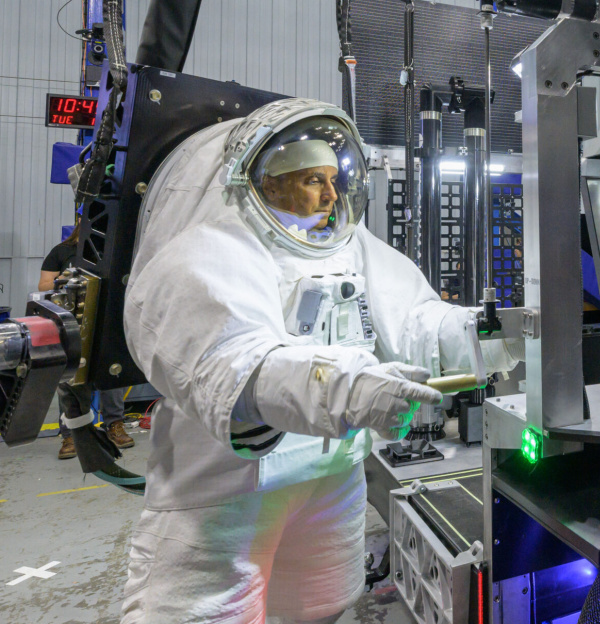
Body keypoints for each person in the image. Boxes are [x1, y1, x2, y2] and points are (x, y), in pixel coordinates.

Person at [119, 98, 523, 624]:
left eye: (334, 180)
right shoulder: (210, 252)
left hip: (332, 476)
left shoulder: (349, 246)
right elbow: (234, 365)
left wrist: (489, 334)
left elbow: (415, 320)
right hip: (227, 493)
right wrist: (345, 390)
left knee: (323, 606)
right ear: (267, 182)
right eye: (313, 180)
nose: (331, 194)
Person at [40, 224, 134, 459]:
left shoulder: (111, 254)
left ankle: (114, 425)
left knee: (111, 372)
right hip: (73, 324)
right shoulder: (61, 252)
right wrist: (62, 279)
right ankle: (71, 434)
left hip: (104, 323)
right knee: (71, 378)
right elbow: (42, 285)